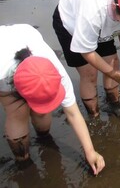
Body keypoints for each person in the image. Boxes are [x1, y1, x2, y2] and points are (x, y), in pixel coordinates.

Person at [0, 24, 105, 174]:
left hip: (23, 37)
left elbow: (73, 112)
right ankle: (25, 161)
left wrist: (90, 151)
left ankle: (36, 146)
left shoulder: (56, 72)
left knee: (18, 112)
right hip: (4, 75)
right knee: (16, 110)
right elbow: (73, 114)